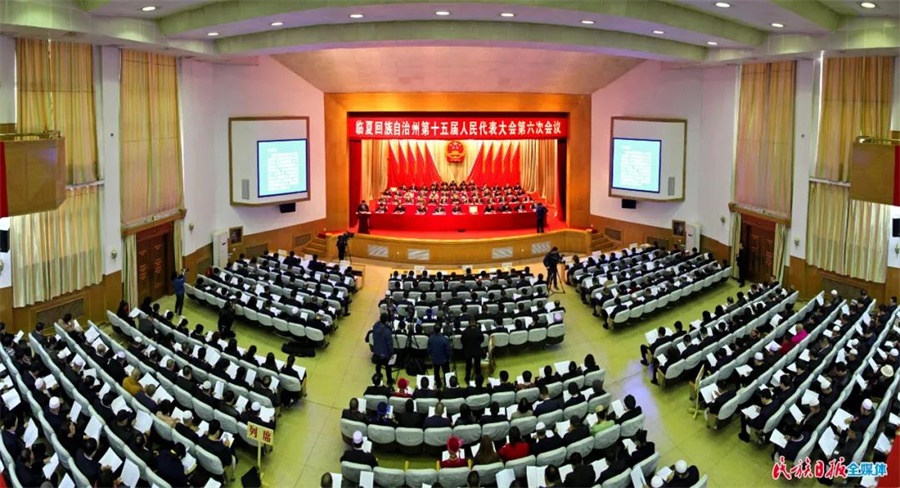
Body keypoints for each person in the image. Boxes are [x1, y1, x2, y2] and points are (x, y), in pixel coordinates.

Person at [372, 313, 395, 386]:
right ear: (386, 321)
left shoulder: (375, 326)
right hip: (385, 353)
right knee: (388, 367)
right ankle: (389, 380)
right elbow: (389, 344)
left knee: (378, 364)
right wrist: (392, 353)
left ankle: (378, 374)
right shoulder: (387, 332)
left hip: (377, 350)